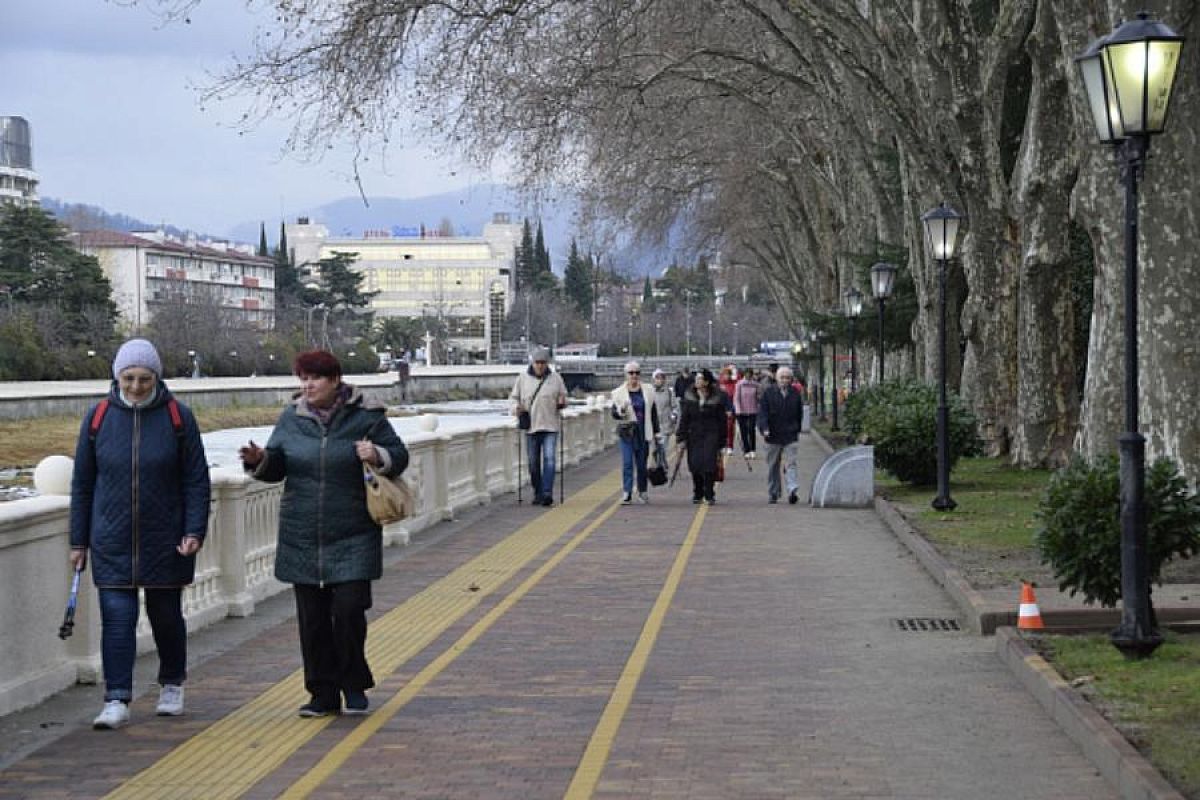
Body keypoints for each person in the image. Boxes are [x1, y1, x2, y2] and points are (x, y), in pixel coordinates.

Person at [239, 350, 408, 718]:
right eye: (303, 379)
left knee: (349, 612)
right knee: (312, 621)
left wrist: (377, 454)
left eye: (315, 378)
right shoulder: (291, 418)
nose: (308, 386)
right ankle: (322, 694)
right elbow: (277, 466)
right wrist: (259, 462)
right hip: (303, 533)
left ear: (335, 381)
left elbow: (400, 455)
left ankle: (354, 683)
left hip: (353, 532)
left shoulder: (366, 416)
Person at [70, 338, 211, 730]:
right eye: (129, 378)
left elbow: (196, 481)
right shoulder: (98, 418)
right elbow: (82, 483)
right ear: (117, 377)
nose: (135, 386)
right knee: (117, 619)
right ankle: (116, 698)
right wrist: (78, 541)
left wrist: (194, 530)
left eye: (144, 378)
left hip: (166, 538)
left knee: (165, 615)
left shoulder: (178, 418)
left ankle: (171, 685)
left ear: (157, 377)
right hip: (111, 538)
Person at [509, 346, 568, 506]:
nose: (540, 366)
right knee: (533, 462)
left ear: (547, 363)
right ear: (532, 363)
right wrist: (516, 408)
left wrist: (562, 402)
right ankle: (538, 491)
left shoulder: (556, 378)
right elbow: (513, 398)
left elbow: (564, 396)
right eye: (537, 362)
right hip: (531, 427)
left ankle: (547, 493)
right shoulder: (522, 378)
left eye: (543, 362)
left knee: (549, 459)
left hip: (550, 425)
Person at [676, 368, 727, 505]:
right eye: (696, 379)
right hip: (694, 435)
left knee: (710, 464)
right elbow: (684, 419)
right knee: (695, 465)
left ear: (707, 382)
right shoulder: (689, 397)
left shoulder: (717, 398)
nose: (697, 381)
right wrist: (681, 437)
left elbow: (722, 420)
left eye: (700, 379)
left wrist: (723, 441)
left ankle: (709, 493)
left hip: (712, 434)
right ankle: (698, 491)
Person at [757, 365, 806, 504]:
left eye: (787, 378)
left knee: (791, 463)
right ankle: (773, 492)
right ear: (777, 379)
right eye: (782, 377)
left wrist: (797, 428)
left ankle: (792, 490)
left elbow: (799, 413)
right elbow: (762, 414)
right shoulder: (768, 393)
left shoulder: (795, 393)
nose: (785, 380)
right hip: (773, 435)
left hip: (790, 434)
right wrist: (765, 428)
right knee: (773, 465)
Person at [611, 361, 658, 504]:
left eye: (637, 373)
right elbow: (614, 414)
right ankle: (627, 492)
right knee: (627, 463)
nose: (634, 376)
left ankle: (642, 491)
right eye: (631, 373)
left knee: (642, 464)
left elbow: (653, 412)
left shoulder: (648, 390)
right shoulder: (618, 393)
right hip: (627, 431)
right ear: (626, 375)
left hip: (643, 430)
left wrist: (657, 432)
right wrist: (622, 410)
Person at [650, 368, 680, 473]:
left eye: (662, 378)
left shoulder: (669, 392)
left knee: (662, 447)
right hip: (653, 425)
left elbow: (675, 406)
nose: (660, 380)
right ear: (654, 379)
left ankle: (660, 467)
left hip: (666, 424)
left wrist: (674, 415)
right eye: (658, 378)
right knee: (654, 450)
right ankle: (663, 463)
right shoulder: (650, 392)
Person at [733, 367, 761, 459]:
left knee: (751, 430)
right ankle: (746, 450)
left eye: (750, 373)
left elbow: (758, 397)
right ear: (744, 374)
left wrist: (759, 407)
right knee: (743, 431)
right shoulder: (739, 384)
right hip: (742, 411)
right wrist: (738, 410)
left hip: (753, 410)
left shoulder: (755, 384)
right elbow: (736, 398)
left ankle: (753, 449)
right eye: (747, 373)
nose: (748, 375)